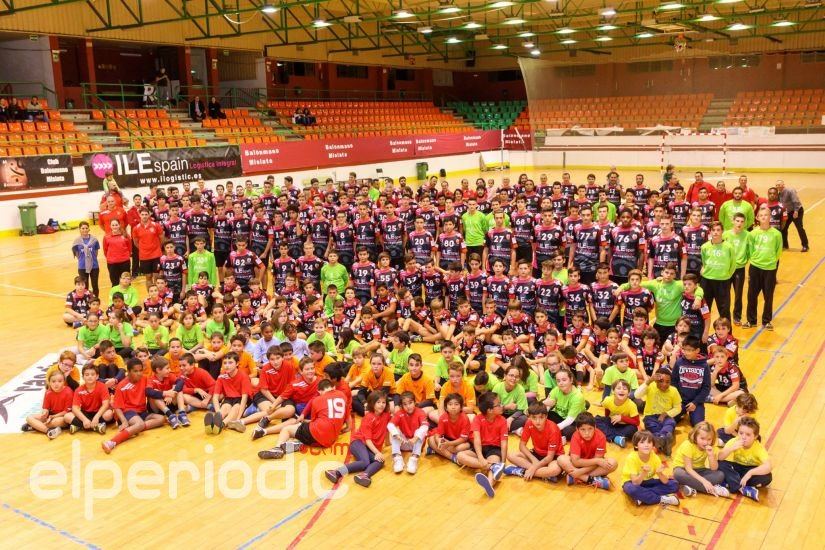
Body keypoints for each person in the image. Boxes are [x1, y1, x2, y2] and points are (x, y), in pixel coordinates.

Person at [258, 378, 347, 459]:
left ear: (319, 391)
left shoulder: (317, 400)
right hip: (330, 440)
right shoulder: (342, 395)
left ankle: (277, 448)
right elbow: (346, 416)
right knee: (307, 434)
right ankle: (297, 444)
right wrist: (348, 427)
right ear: (333, 387)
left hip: (317, 433)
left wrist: (303, 421)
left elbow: (313, 422)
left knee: (287, 429)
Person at [325, 390, 390, 487]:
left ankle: (364, 475)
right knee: (365, 462)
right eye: (378, 402)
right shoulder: (368, 418)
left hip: (369, 446)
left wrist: (388, 442)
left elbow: (387, 428)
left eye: (383, 402)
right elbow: (367, 439)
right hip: (358, 442)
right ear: (372, 403)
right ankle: (336, 472)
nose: (381, 405)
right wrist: (377, 452)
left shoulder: (386, 415)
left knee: (380, 461)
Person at [102, 358, 167, 453]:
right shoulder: (121, 385)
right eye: (135, 371)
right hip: (126, 412)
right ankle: (112, 442)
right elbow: (117, 407)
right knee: (140, 424)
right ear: (128, 372)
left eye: (141, 370)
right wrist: (124, 421)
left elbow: (151, 391)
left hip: (141, 412)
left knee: (161, 419)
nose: (139, 373)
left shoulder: (145, 379)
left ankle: (133, 429)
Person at [557, 412, 618, 489]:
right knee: (561, 459)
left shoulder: (601, 437)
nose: (587, 433)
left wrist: (579, 472)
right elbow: (575, 462)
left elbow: (597, 462)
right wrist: (597, 461)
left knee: (613, 463)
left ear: (595, 427)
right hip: (578, 466)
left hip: (591, 466)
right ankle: (590, 479)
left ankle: (576, 477)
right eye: (583, 429)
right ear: (577, 429)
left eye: (590, 429)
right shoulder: (575, 436)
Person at [717, 417, 772, 501]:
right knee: (719, 464)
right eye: (741, 433)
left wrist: (750, 473)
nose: (743, 437)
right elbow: (720, 457)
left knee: (767, 477)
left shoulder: (758, 448)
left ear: (755, 436)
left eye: (748, 435)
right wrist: (731, 448)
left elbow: (768, 466)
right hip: (736, 468)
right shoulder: (734, 441)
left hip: (750, 469)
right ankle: (742, 488)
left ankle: (731, 482)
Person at [744, 207, 782, 330]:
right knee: (752, 295)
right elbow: (750, 249)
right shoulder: (753, 233)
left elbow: (778, 251)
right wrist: (755, 259)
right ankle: (751, 320)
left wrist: (771, 261)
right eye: (761, 215)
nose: (764, 217)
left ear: (770, 217)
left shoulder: (776, 234)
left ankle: (766, 321)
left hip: (770, 269)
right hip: (755, 267)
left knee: (768, 296)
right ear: (757, 218)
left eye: (766, 215)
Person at [621, 430, 680, 506]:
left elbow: (665, 481)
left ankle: (643, 497)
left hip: (647, 482)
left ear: (653, 445)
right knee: (632, 490)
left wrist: (660, 473)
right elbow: (635, 483)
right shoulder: (631, 458)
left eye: (649, 442)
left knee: (674, 484)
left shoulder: (655, 458)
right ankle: (663, 499)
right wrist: (643, 473)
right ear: (636, 446)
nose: (646, 445)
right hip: (631, 482)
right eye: (642, 442)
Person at [671, 421, 729, 497]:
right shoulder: (688, 445)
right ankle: (713, 489)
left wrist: (711, 455)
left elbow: (714, 468)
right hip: (683, 469)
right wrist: (704, 481)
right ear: (695, 436)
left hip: (699, 470)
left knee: (720, 475)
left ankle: (687, 486)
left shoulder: (712, 446)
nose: (705, 442)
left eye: (709, 439)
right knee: (678, 474)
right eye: (702, 438)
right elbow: (688, 469)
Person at [24, 370, 74, 439]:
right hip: (51, 416)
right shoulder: (48, 392)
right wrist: (45, 413)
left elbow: (66, 412)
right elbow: (46, 408)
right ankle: (48, 430)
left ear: (64, 382)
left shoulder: (68, 392)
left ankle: (35, 426)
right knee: (29, 418)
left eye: (60, 381)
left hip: (62, 416)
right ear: (49, 382)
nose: (56, 384)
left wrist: (53, 416)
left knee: (56, 421)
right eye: (53, 381)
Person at [775, 179, 808, 252]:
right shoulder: (779, 194)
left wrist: (796, 211)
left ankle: (805, 246)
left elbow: (796, 201)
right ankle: (785, 245)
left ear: (783, 185)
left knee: (800, 228)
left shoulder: (790, 191)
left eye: (779, 185)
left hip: (797, 211)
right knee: (783, 228)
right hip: (788, 212)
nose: (778, 186)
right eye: (776, 185)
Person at [71, 221, 101, 297]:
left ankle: (95, 300)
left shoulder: (94, 240)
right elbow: (77, 254)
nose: (85, 230)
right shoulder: (77, 241)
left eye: (86, 228)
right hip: (82, 267)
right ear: (79, 229)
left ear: (89, 229)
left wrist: (90, 260)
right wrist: (83, 260)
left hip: (94, 266)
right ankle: (86, 300)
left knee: (95, 285)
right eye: (83, 228)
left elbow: (96, 253)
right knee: (84, 285)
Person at [103, 219, 132, 286]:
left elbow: (130, 248)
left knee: (126, 282)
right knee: (115, 283)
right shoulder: (106, 237)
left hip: (125, 262)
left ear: (119, 225)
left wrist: (125, 256)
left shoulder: (125, 235)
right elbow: (105, 250)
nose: (115, 227)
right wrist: (111, 258)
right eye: (113, 225)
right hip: (112, 264)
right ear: (110, 226)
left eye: (116, 225)